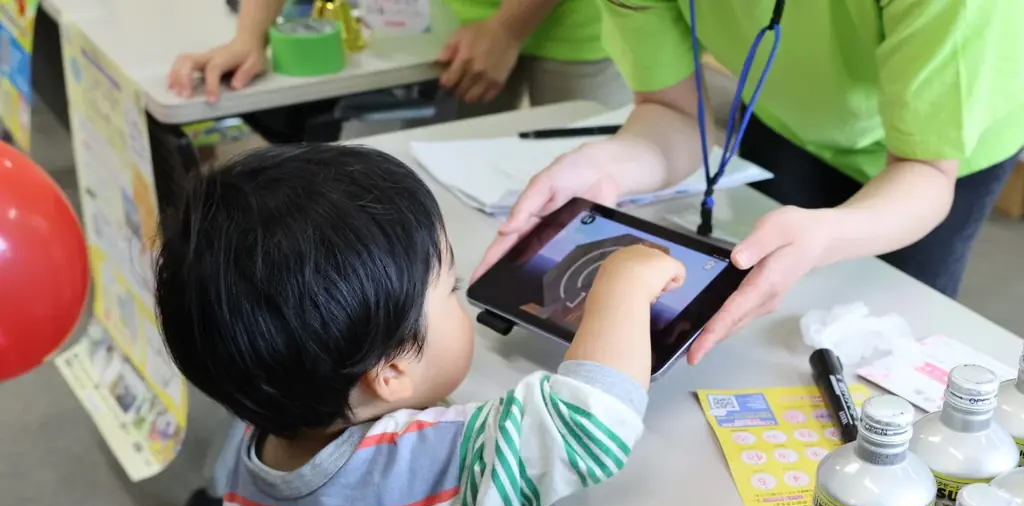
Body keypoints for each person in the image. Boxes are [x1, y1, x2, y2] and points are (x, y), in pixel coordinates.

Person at [154, 144, 685, 506]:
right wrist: (621, 286)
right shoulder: (429, 463)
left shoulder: (253, 464)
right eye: (450, 288)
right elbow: (586, 424)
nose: (462, 299)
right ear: (390, 372)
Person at [478, 0, 1024, 366]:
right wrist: (609, 164)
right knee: (760, 326)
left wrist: (828, 234)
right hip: (784, 103)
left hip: (938, 149)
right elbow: (671, 111)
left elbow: (925, 173)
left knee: (891, 350)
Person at [167, 0, 630, 111]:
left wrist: (506, 30)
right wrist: (250, 35)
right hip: (450, 24)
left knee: (590, 194)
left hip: (584, 28)